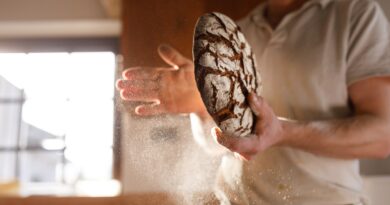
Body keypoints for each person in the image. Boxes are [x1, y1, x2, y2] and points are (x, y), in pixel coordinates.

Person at [116, 0, 390, 204]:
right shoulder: (237, 33)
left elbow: (382, 137)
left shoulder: (354, 14)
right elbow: (221, 145)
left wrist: (283, 133)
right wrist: (201, 105)